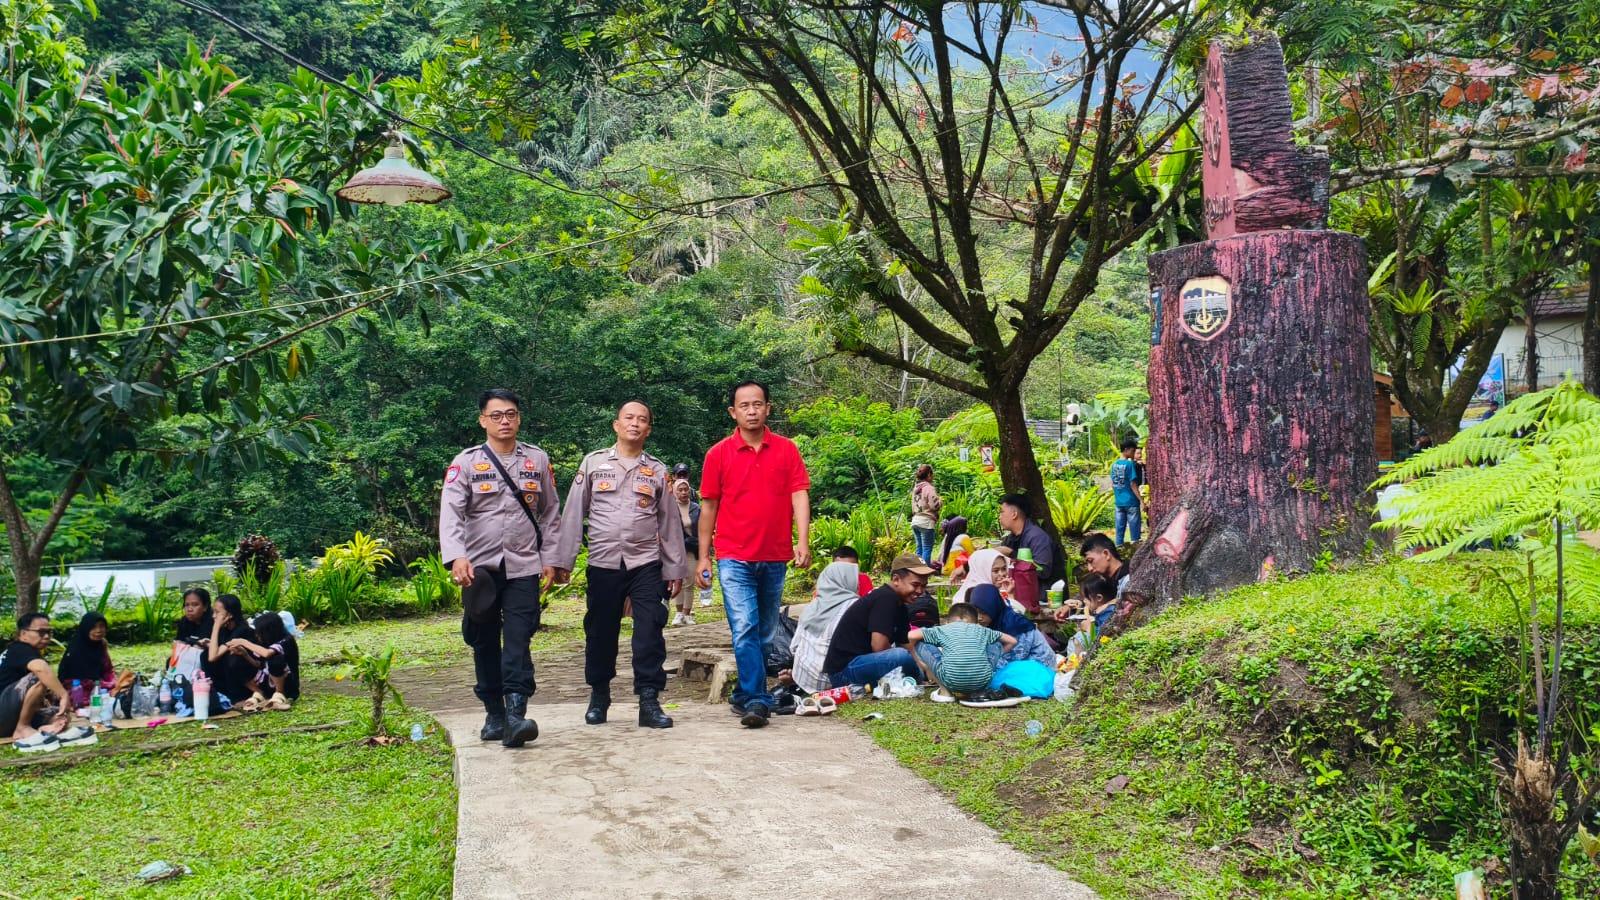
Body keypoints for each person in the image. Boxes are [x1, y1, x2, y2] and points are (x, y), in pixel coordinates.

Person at [439, 388, 561, 748]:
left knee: (520, 639)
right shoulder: (465, 463)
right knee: (483, 639)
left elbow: (551, 512)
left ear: (519, 418)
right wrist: (457, 556)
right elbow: (452, 513)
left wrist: (551, 558)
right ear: (483, 421)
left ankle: (516, 713)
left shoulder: (536, 461)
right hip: (480, 569)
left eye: (510, 414)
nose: (504, 421)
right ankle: (493, 711)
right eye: (496, 415)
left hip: (524, 564)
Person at [556, 400, 686, 730]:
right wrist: (563, 561)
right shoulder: (594, 463)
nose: (635, 424)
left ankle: (648, 700)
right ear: (616, 425)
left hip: (645, 564)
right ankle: (599, 696)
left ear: (648, 430)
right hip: (603, 563)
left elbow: (669, 523)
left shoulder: (657, 470)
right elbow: (574, 512)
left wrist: (674, 568)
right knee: (600, 633)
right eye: (629, 418)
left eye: (642, 419)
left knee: (649, 631)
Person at [695, 380, 812, 729]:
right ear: (733, 411)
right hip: (734, 555)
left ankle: (743, 695)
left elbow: (800, 495)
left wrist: (801, 541)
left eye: (757, 404)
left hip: (775, 555)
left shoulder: (787, 450)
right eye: (744, 405)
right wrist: (703, 557)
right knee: (744, 626)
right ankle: (759, 698)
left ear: (767, 409)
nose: (751, 410)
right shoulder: (718, 454)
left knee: (763, 632)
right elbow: (709, 506)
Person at [822, 554, 935, 688]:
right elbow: (879, 647)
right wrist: (917, 671)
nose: (920, 591)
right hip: (844, 672)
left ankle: (916, 676)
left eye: (924, 586)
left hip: (864, 663)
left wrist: (922, 666)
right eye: (915, 585)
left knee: (916, 653)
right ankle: (914, 678)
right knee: (900, 656)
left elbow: (904, 643)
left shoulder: (901, 605)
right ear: (896, 579)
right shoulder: (886, 598)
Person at [1, 613, 96, 753]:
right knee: (38, 677)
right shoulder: (19, 649)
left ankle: (50, 729)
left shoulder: (27, 652)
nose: (46, 636)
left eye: (49, 632)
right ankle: (22, 728)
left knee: (59, 713)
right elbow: (40, 669)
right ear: (23, 633)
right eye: (41, 632)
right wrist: (64, 694)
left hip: (7, 716)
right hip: (3, 714)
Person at [908, 602, 1015, 699]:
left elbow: (911, 636)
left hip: (951, 681)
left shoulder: (942, 629)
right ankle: (978, 690)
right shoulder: (983, 630)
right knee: (995, 643)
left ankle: (945, 693)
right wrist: (992, 658)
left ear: (947, 621)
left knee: (921, 642)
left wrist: (920, 662)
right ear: (976, 622)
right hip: (982, 682)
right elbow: (1012, 641)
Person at [788, 561, 863, 694]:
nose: (858, 584)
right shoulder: (854, 605)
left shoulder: (812, 606)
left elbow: (794, 648)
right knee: (899, 656)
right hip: (834, 678)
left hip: (805, 679)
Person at [966, 584, 1056, 669]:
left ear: (994, 608)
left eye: (984, 612)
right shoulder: (992, 622)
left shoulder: (1014, 626)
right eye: (975, 612)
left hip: (1040, 668)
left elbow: (1014, 660)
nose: (979, 618)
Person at [231, 612, 300, 711]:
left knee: (275, 660)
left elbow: (267, 654)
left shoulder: (286, 640)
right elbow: (259, 665)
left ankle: (280, 694)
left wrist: (243, 642)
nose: (257, 635)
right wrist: (245, 654)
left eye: (259, 632)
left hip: (288, 685)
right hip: (267, 682)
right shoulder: (266, 642)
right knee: (236, 662)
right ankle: (260, 693)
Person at [204, 594, 259, 706]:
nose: (214, 616)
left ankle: (244, 695)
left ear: (230, 614)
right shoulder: (225, 629)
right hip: (231, 674)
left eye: (217, 612)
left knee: (230, 658)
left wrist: (216, 627)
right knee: (204, 656)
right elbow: (211, 655)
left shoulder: (241, 630)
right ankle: (222, 694)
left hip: (252, 671)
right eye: (213, 612)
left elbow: (213, 656)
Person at [999, 493, 1057, 584]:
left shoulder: (1037, 537)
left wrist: (1012, 553)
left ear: (1014, 514)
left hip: (1043, 595)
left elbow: (1043, 571)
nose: (1000, 517)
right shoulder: (1010, 539)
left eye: (1002, 512)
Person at [57, 612, 115, 702]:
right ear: (85, 628)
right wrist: (106, 685)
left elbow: (107, 669)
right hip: (78, 687)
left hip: (99, 685)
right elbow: (71, 679)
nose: (98, 630)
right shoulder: (76, 648)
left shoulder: (101, 644)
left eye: (101, 626)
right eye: (93, 627)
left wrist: (112, 681)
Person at [669, 478, 701, 626]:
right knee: (677, 580)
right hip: (675, 550)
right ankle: (679, 613)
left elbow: (702, 527)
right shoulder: (669, 508)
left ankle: (687, 614)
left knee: (689, 582)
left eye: (685, 489)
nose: (683, 492)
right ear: (674, 491)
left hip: (692, 549)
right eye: (680, 490)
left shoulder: (696, 508)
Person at [1110, 436, 1144, 546]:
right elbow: (1133, 484)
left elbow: (1113, 483)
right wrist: (1142, 501)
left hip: (1119, 503)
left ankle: (1118, 549)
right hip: (1131, 502)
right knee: (1135, 533)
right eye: (1133, 451)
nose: (1134, 454)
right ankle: (1135, 551)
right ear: (1126, 450)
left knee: (1119, 530)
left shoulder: (1114, 465)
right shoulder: (1129, 464)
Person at [909, 464, 941, 564]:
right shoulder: (928, 488)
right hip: (926, 521)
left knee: (919, 549)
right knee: (927, 548)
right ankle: (925, 572)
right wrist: (940, 502)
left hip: (916, 520)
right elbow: (934, 506)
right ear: (929, 475)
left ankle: (918, 571)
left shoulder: (915, 489)